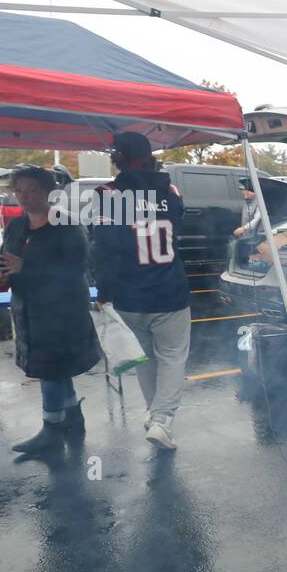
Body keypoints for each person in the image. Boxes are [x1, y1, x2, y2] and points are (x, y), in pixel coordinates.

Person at [91, 131, 191, 451]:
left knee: (145, 359)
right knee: (172, 357)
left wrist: (103, 292)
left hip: (130, 292)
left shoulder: (107, 193)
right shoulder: (170, 189)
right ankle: (161, 420)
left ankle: (155, 416)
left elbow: (104, 249)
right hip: (169, 288)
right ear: (148, 155)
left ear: (116, 157)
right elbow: (177, 225)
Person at [0, 167, 102, 456]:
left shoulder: (67, 227)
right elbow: (7, 258)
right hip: (28, 310)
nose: (24, 196)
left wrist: (26, 268)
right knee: (55, 369)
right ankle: (72, 416)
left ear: (48, 192)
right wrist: (4, 275)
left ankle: (51, 431)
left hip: (62, 312)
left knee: (51, 369)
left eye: (31, 189)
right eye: (18, 190)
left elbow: (75, 270)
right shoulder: (17, 227)